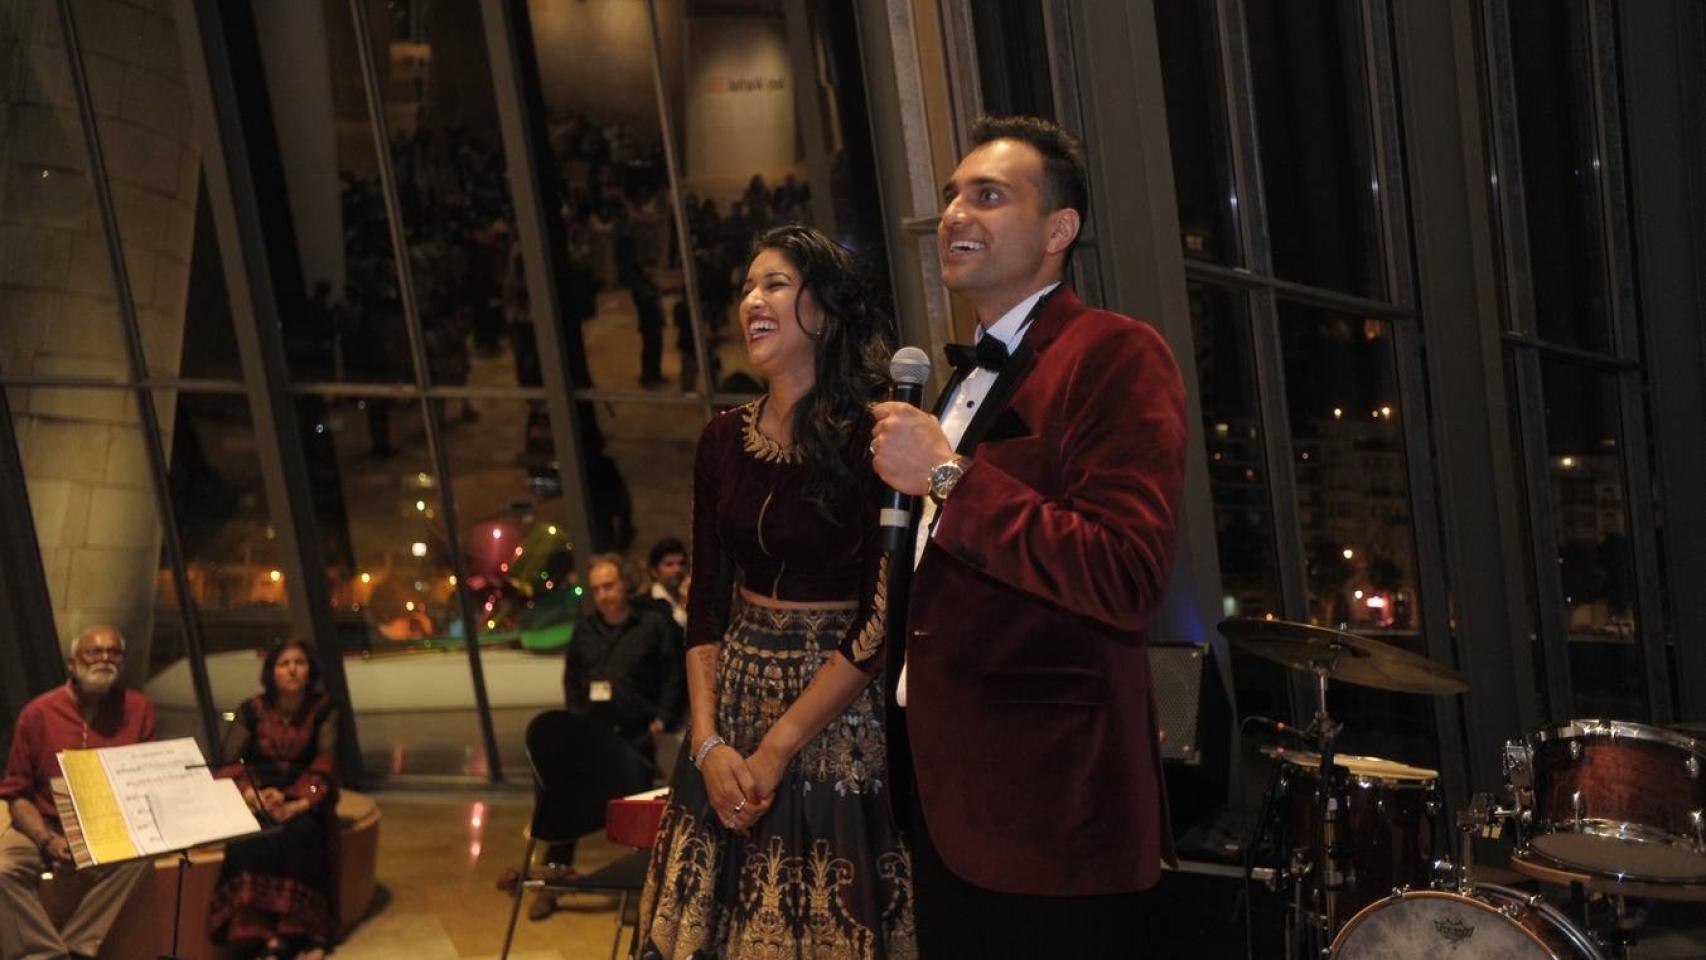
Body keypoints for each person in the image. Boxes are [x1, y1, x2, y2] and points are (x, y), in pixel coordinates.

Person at [870, 115, 1188, 957]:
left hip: (1054, 813)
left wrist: (947, 477)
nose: (954, 214)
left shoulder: (1115, 353)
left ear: (1059, 230)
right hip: (948, 803)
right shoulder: (959, 383)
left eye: (988, 196)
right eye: (951, 196)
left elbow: (1125, 573)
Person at [634, 225, 915, 959]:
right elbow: (705, 602)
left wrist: (776, 750)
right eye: (747, 288)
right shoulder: (720, 440)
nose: (752, 301)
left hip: (836, 714)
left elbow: (881, 617)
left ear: (823, 309)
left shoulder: (876, 437)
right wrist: (707, 743)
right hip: (731, 704)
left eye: (776, 284)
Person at [532, 554, 687, 921]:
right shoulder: (585, 630)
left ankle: (637, 891)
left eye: (609, 586)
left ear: (625, 585)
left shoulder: (651, 626)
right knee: (565, 802)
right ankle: (553, 882)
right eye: (596, 588)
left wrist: (661, 721)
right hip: (591, 734)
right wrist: (575, 720)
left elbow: (672, 675)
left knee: (637, 814)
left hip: (636, 734)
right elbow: (573, 678)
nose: (603, 595)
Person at [0, 626, 155, 960]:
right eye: (94, 651)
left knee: (141, 856)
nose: (105, 658)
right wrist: (47, 839)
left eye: (114, 652)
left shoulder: (138, 708)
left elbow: (143, 779)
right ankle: (46, 955)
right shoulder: (38, 713)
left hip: (106, 823)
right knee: (2, 868)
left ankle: (78, 948)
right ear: (72, 663)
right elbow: (17, 794)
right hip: (42, 821)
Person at [208, 639, 342, 960]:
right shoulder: (251, 710)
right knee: (249, 841)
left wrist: (298, 801)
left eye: (300, 663)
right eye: (284, 664)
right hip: (257, 794)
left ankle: (300, 935)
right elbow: (229, 763)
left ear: (310, 670)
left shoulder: (324, 709)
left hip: (303, 795)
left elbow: (326, 763)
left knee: (303, 834)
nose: (292, 670)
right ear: (272, 672)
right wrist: (252, 795)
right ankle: (259, 936)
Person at [645, 536, 689, 630]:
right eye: (669, 564)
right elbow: (671, 633)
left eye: (681, 563)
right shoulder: (646, 604)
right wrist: (683, 604)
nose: (678, 569)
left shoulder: (692, 597)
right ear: (654, 571)